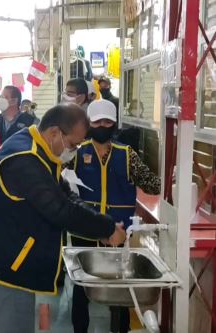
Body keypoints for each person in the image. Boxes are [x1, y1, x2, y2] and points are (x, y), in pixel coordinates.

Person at [0, 103, 126, 333]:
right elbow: (60, 210)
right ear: (54, 133)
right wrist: (107, 228)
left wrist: (102, 224)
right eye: (73, 144)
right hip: (3, 267)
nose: (75, 150)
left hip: (6, 258)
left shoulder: (38, 147)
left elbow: (65, 194)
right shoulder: (25, 160)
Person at [70, 99, 161, 333]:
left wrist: (174, 182)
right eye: (97, 121)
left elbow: (152, 185)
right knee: (81, 290)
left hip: (118, 232)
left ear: (114, 124)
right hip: (85, 228)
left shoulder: (127, 154)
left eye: (107, 121)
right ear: (89, 124)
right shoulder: (77, 154)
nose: (103, 125)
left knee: (119, 290)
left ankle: (118, 330)